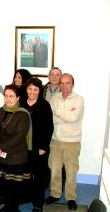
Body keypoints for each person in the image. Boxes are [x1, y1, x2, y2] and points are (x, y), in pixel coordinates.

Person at [45, 73, 84, 210]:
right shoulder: (54, 98)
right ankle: (55, 194)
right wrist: (64, 114)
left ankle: (71, 197)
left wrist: (58, 112)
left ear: (73, 84)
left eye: (68, 83)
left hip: (72, 142)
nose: (64, 86)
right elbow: (51, 118)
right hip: (55, 141)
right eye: (62, 83)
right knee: (54, 169)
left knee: (71, 171)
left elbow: (73, 118)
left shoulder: (78, 100)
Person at [0, 84, 31, 212]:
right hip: (1, 154)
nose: (8, 99)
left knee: (13, 185)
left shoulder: (22, 114)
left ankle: (13, 208)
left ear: (18, 97)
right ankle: (7, 206)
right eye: (6, 96)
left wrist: (0, 147)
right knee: (4, 183)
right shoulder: (0, 111)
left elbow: (19, 137)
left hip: (16, 155)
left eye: (11, 96)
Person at [20, 77, 54, 212]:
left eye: (35, 89)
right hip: (23, 147)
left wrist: (44, 147)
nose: (32, 92)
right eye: (30, 89)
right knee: (25, 174)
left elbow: (49, 128)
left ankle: (38, 204)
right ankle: (26, 197)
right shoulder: (21, 103)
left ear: (39, 91)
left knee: (39, 176)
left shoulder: (44, 105)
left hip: (39, 148)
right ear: (26, 89)